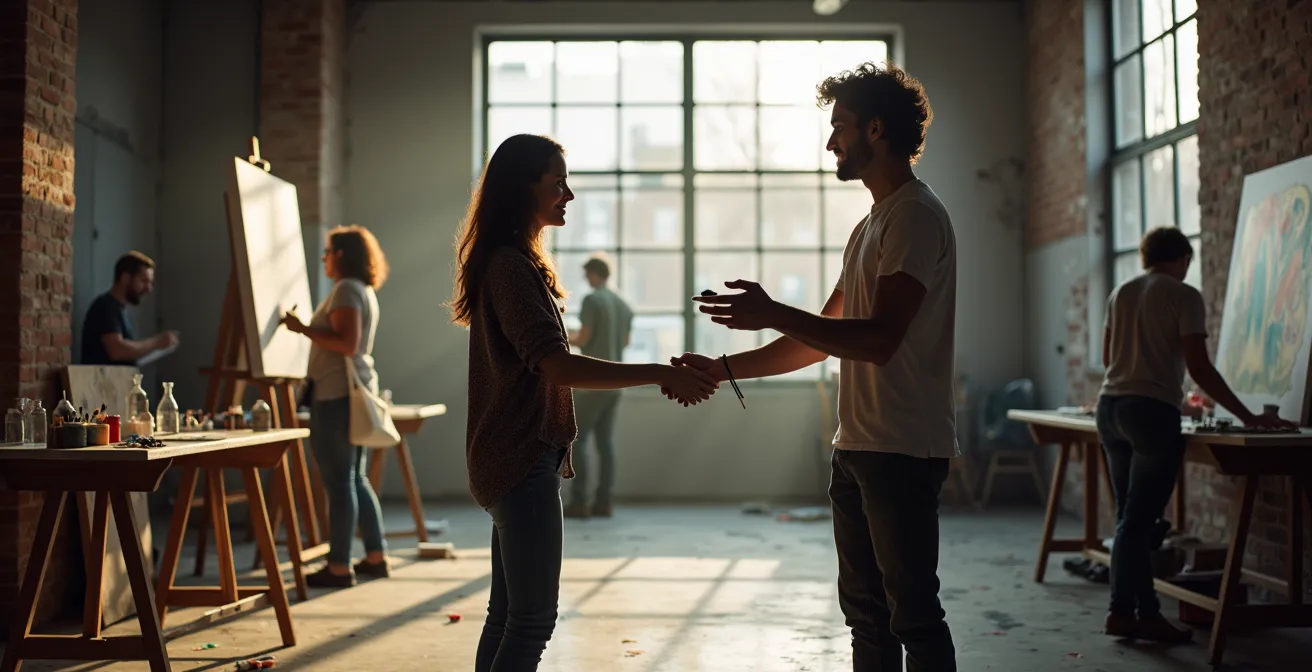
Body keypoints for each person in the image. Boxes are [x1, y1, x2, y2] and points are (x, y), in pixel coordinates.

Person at [675, 61, 959, 671]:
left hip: (903, 450)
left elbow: (879, 339)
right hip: (858, 448)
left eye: (840, 127)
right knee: (867, 617)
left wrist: (774, 310)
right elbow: (819, 341)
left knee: (912, 614)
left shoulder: (912, 216)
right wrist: (721, 368)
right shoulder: (870, 225)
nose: (831, 141)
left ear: (876, 130)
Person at [448, 133, 718, 672]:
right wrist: (660, 372)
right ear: (524, 188)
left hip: (509, 456)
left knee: (506, 615)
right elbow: (560, 366)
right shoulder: (510, 268)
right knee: (531, 620)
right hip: (520, 459)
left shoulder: (510, 264)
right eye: (557, 183)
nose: (568, 195)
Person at [1095, 226, 1294, 641]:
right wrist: (1247, 417)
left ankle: (1137, 611)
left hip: (1110, 408)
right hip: (1150, 416)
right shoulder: (1184, 296)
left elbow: (1108, 358)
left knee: (1128, 519)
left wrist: (1168, 391)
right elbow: (1199, 367)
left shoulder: (1121, 292)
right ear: (1183, 259)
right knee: (1138, 521)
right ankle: (1124, 611)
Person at [280, 225, 392, 588]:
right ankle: (375, 556)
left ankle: (339, 566)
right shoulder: (361, 289)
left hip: (336, 396)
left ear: (341, 255)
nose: (324, 258)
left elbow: (347, 343)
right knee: (353, 479)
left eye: (328, 252)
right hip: (345, 395)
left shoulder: (345, 289)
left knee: (339, 482)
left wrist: (300, 328)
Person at [564, 254, 634, 519]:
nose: (585, 280)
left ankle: (579, 501)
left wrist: (564, 334)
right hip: (617, 383)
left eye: (586, 275)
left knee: (578, 440)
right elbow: (625, 342)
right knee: (605, 443)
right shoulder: (623, 305)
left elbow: (584, 337)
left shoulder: (592, 300)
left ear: (594, 274)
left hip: (593, 383)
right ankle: (604, 501)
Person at [81, 251, 179, 366]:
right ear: (125, 278)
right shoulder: (105, 307)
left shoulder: (122, 312)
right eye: (144, 281)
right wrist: (157, 343)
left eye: (151, 283)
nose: (149, 289)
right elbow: (117, 350)